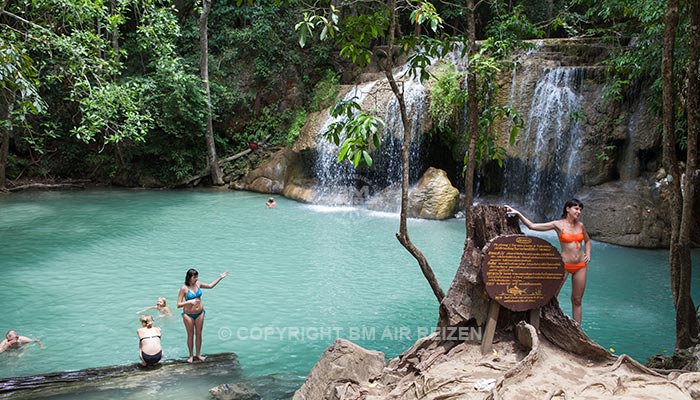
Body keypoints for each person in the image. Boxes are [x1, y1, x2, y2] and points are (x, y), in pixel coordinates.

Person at [505, 199, 591, 324]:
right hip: (564, 265)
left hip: (580, 266)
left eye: (580, 209)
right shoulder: (558, 224)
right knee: (552, 296)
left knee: (577, 300)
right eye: (576, 208)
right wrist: (518, 213)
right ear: (568, 209)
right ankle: (544, 323)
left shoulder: (581, 226)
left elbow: (587, 241)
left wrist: (588, 254)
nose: (579, 212)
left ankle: (578, 329)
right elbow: (532, 226)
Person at [177, 268, 229, 363]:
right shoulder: (184, 288)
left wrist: (220, 278)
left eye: (197, 276)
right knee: (190, 335)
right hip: (188, 315)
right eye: (194, 277)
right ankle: (191, 356)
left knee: (199, 334)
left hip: (200, 313)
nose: (196, 278)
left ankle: (198, 354)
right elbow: (178, 304)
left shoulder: (198, 284)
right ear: (189, 277)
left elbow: (210, 286)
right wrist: (189, 301)